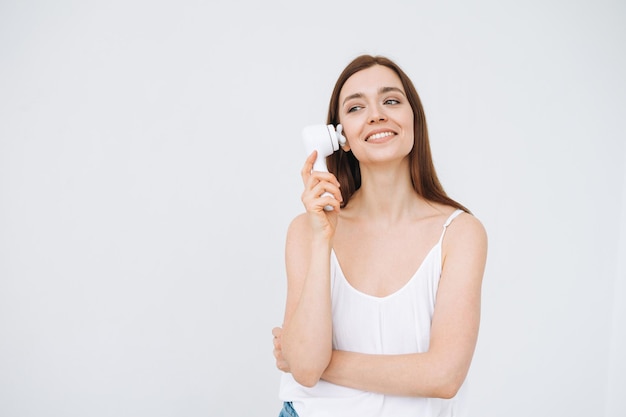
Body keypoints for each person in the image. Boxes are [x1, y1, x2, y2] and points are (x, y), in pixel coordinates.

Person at [272, 54, 488, 417]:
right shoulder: (305, 231)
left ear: (413, 120)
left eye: (390, 101)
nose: (376, 115)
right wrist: (322, 237)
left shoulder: (460, 234)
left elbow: (445, 376)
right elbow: (306, 369)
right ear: (338, 136)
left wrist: (316, 363)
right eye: (356, 107)